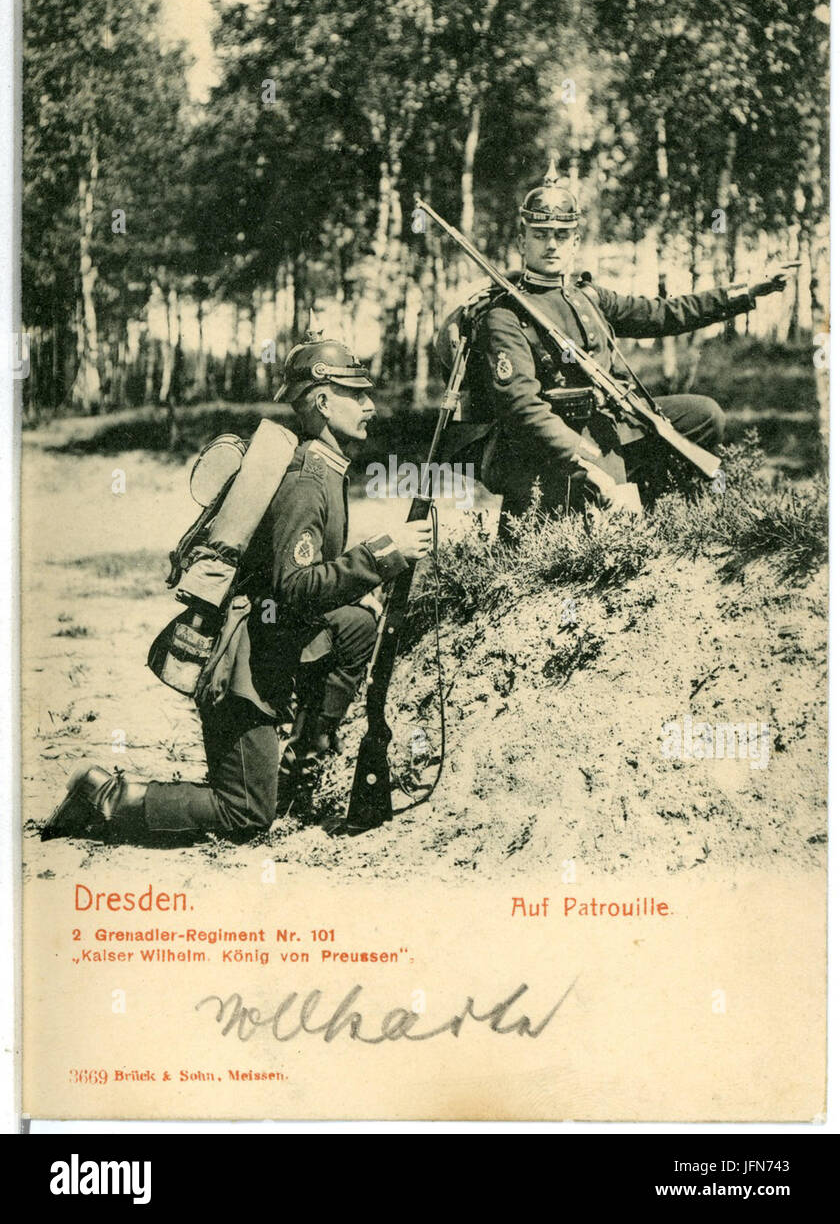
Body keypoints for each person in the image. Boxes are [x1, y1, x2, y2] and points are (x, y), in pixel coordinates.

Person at [41, 338, 431, 843]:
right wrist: (384, 553)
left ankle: (296, 773)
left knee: (356, 624)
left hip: (268, 638)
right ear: (322, 402)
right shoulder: (308, 481)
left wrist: (364, 581)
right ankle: (102, 794)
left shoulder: (325, 467)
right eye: (355, 394)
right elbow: (295, 588)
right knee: (244, 814)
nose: (370, 405)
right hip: (239, 664)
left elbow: (301, 581)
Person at [459, 161, 792, 524]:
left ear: (574, 242)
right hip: (552, 448)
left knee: (702, 416)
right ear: (523, 241)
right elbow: (523, 409)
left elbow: (665, 313)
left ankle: (667, 515)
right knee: (612, 516)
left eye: (561, 235)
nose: (551, 245)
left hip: (609, 424)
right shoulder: (505, 315)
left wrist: (746, 291)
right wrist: (583, 458)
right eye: (540, 235)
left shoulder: (587, 296)